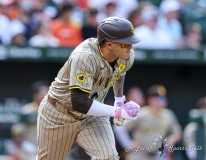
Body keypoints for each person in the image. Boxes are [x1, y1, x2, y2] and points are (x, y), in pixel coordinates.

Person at [36, 16, 141, 160]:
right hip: (58, 114)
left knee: (109, 156)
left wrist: (119, 101)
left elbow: (119, 72)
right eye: (125, 44)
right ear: (110, 45)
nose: (130, 47)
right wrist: (117, 112)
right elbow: (79, 102)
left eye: (131, 42)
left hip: (91, 115)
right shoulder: (85, 56)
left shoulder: (126, 55)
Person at [113, 84, 182, 160]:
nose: (162, 100)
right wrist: (128, 143)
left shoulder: (168, 115)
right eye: (158, 98)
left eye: (163, 97)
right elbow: (118, 126)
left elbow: (177, 132)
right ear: (150, 100)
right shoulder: (141, 113)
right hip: (139, 155)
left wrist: (172, 139)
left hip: (158, 155)